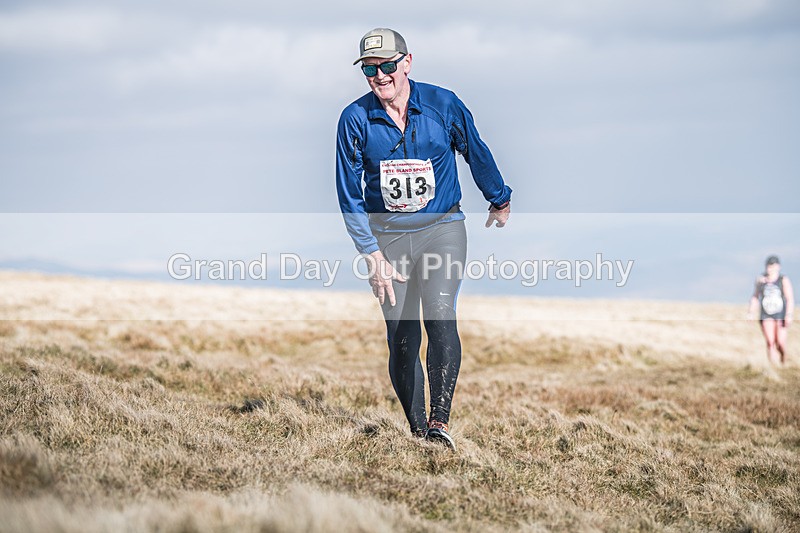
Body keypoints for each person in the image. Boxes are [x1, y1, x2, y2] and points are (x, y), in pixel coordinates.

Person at [335, 28, 512, 450]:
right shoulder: (355, 119)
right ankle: (419, 433)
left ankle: (440, 423)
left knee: (439, 314)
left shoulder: (442, 105)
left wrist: (498, 196)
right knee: (402, 338)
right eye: (370, 70)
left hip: (441, 230)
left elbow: (475, 149)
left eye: (387, 66)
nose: (380, 76)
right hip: (388, 239)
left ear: (407, 62)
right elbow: (348, 194)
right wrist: (372, 255)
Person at [748, 255, 794, 365]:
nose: (771, 269)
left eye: (773, 266)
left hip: (780, 314)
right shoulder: (761, 280)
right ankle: (773, 367)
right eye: (769, 266)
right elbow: (755, 297)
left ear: (778, 267)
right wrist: (751, 312)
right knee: (770, 341)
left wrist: (789, 314)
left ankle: (783, 358)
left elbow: (789, 298)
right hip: (766, 314)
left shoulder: (783, 280)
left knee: (780, 342)